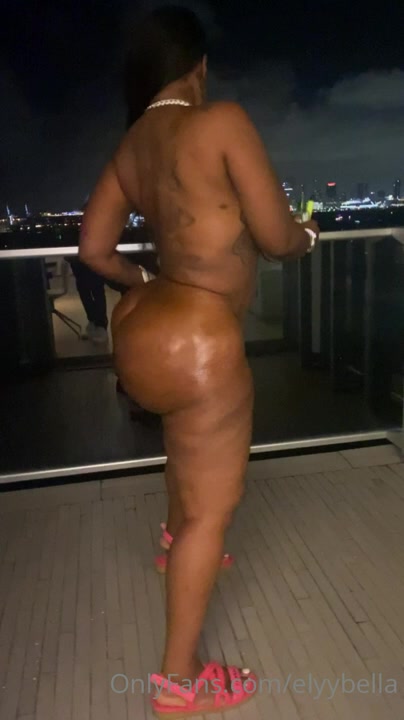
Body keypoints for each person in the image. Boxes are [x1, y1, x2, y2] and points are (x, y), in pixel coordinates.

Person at [79, 6, 320, 716]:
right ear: (199, 68)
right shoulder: (221, 122)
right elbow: (274, 236)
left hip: (141, 332)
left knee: (183, 457)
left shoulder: (131, 148)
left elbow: (93, 251)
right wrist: (309, 236)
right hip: (200, 342)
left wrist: (144, 280)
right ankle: (179, 682)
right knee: (213, 511)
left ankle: (171, 543)